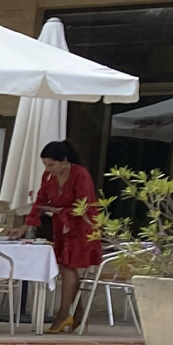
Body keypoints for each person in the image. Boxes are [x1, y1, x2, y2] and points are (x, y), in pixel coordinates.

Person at [21, 140, 101, 330]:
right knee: (66, 266)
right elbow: (40, 200)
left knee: (67, 266)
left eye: (51, 165)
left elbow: (84, 205)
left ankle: (63, 315)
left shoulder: (80, 175)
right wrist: (25, 226)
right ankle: (78, 314)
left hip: (82, 226)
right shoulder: (49, 178)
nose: (48, 169)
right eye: (46, 165)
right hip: (62, 226)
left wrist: (57, 210)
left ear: (64, 161)